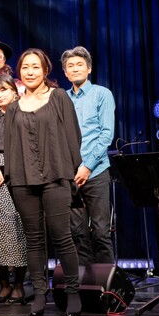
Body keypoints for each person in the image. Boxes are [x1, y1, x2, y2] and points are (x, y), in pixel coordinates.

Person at [3, 48, 82, 316]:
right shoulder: (13, 107)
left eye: (35, 67)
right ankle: (39, 292)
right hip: (23, 180)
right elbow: (10, 146)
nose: (30, 72)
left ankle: (72, 291)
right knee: (34, 239)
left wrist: (70, 173)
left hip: (56, 175)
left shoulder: (58, 97)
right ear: (19, 72)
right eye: (25, 67)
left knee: (62, 236)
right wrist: (12, 177)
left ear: (45, 70)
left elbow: (73, 136)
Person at [61, 46, 116, 266]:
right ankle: (85, 282)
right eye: (70, 66)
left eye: (79, 64)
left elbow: (106, 134)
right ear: (65, 73)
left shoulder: (102, 94)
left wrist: (87, 166)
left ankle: (108, 283)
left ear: (89, 68)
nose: (75, 69)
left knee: (101, 232)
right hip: (70, 175)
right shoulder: (62, 98)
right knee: (77, 233)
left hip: (96, 172)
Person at [0, 74, 28, 304]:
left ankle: (19, 283)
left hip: (18, 173)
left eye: (4, 90)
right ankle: (3, 284)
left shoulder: (24, 114)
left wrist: (6, 169)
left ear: (14, 91)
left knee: (17, 228)